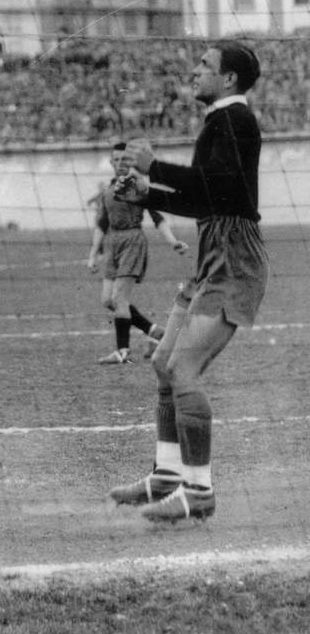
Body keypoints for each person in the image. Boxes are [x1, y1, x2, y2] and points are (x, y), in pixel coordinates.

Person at [108, 41, 267, 523]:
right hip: (213, 251)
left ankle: (199, 492)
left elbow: (218, 189)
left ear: (229, 79)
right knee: (163, 363)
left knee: (183, 370)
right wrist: (146, 192)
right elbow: (206, 200)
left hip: (234, 259)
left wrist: (154, 167)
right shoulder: (220, 121)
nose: (194, 70)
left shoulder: (236, 122)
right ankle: (168, 477)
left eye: (205, 65)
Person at [87, 142, 188, 365]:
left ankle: (122, 352)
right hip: (113, 243)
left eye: (125, 159)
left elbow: (157, 217)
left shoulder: (139, 186)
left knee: (119, 298)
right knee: (108, 300)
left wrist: (173, 242)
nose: (121, 163)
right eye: (117, 160)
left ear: (131, 162)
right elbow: (101, 224)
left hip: (133, 240)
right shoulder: (108, 190)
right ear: (111, 162)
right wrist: (94, 254)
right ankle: (154, 332)